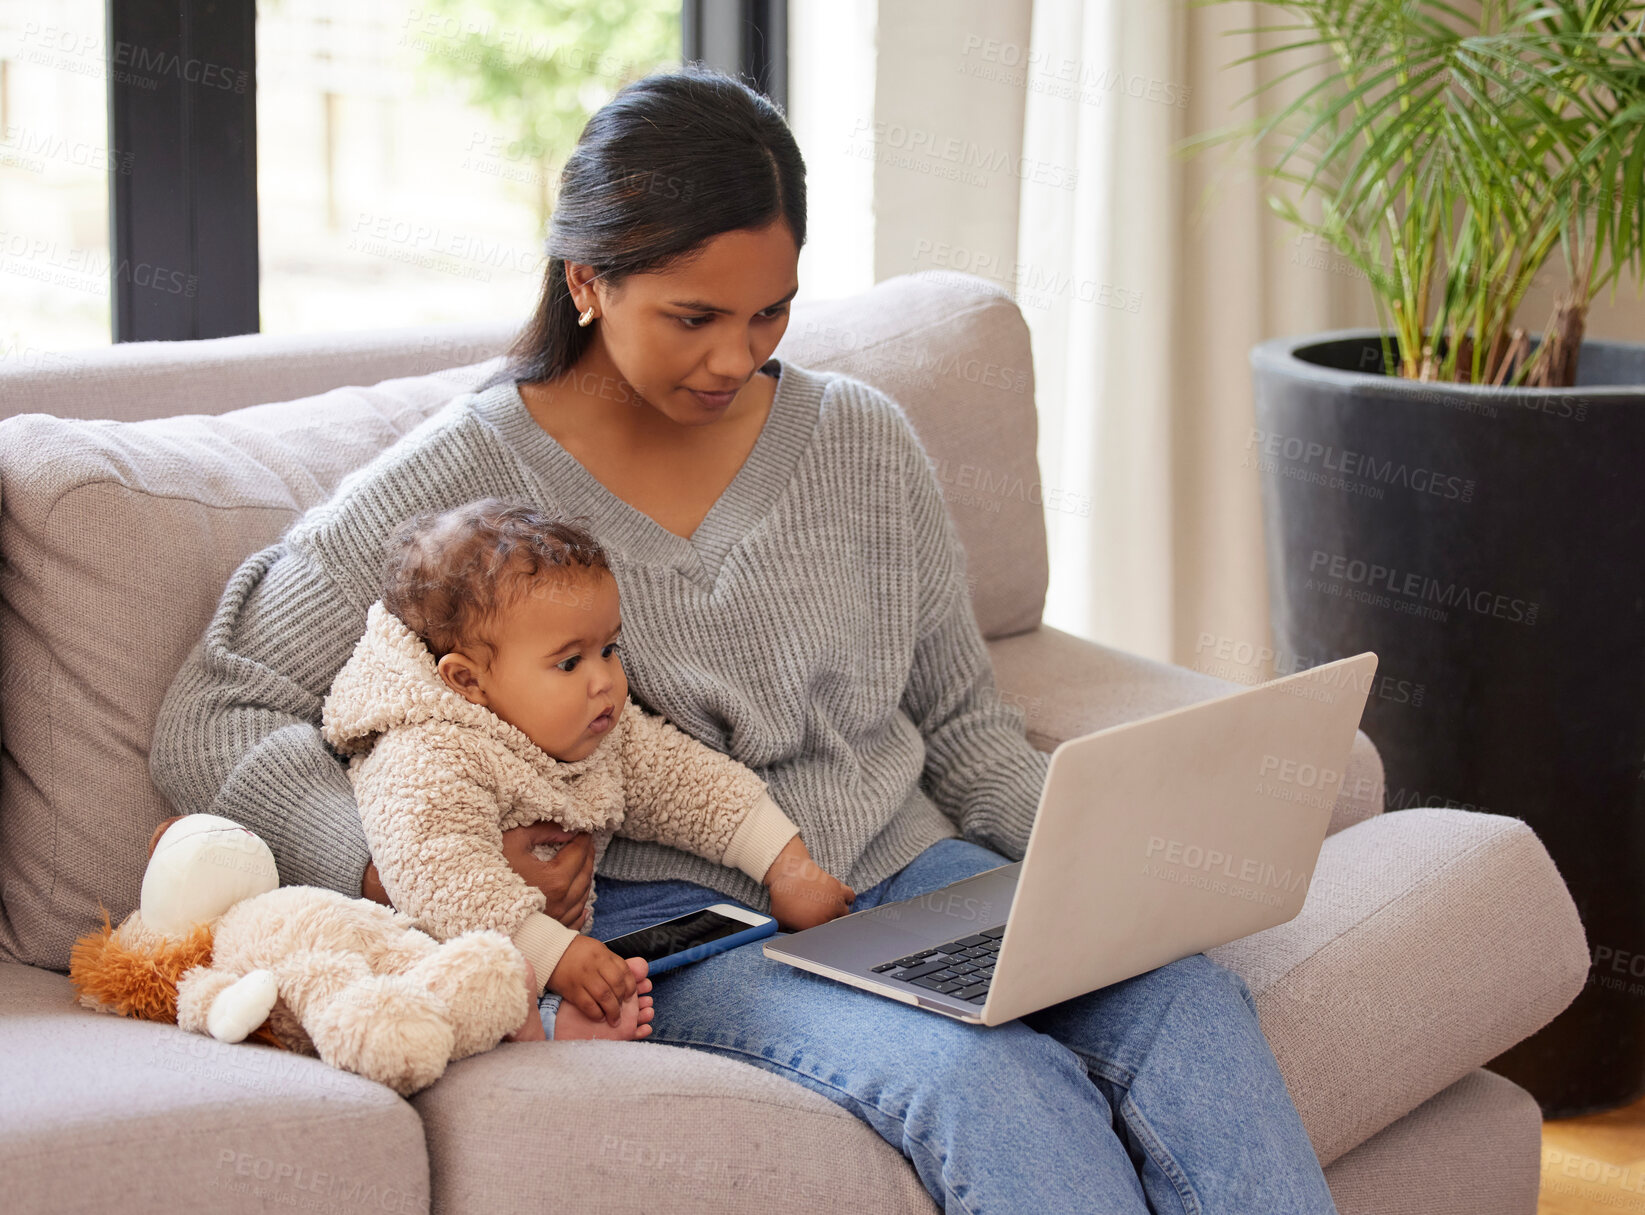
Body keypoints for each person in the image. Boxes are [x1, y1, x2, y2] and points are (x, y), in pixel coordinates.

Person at [148, 63, 1338, 1213]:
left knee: (1188, 1006)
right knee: (989, 1083)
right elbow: (220, 705)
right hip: (686, 927)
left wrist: (1112, 869)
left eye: (771, 312)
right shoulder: (465, 482)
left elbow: (963, 725)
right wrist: (375, 863)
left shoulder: (862, 441)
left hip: (913, 871)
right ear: (585, 284)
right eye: (694, 317)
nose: (738, 356)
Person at [317, 498, 853, 1040]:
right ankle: (547, 1026)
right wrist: (556, 955)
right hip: (450, 939)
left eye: (609, 649)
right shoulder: (427, 756)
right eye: (570, 662)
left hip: (558, 935)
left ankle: (554, 1017)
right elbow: (443, 880)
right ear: (468, 681)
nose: (605, 680)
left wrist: (788, 867)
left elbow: (688, 784)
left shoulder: (591, 723)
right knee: (441, 984)